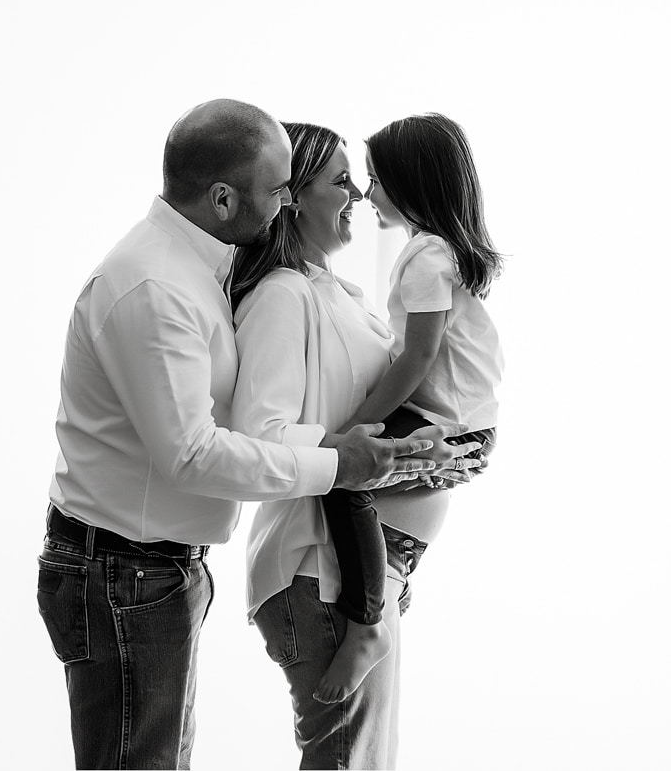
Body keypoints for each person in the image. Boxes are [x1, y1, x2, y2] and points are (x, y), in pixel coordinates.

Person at [36, 99, 454, 770]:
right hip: (123, 572)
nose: (287, 202)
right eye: (278, 189)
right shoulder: (155, 286)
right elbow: (193, 452)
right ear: (223, 198)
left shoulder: (205, 267)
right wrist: (338, 464)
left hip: (151, 568)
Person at [230, 117, 496, 767]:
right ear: (292, 197)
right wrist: (359, 449)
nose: (357, 194)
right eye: (342, 181)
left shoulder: (337, 293)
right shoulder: (285, 296)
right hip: (325, 578)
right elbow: (260, 440)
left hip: (359, 580)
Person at [312, 112, 504, 703]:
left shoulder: (426, 256)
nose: (366, 193)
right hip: (463, 420)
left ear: (413, 183)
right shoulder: (437, 251)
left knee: (342, 477)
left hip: (448, 424)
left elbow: (417, 358)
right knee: (347, 474)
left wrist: (358, 426)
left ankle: (369, 622)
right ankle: (389, 582)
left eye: (376, 179)